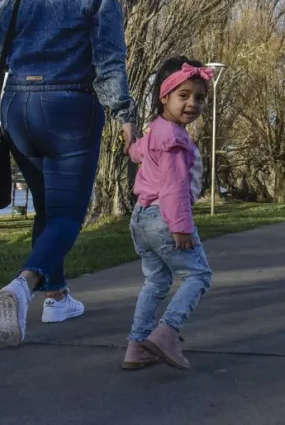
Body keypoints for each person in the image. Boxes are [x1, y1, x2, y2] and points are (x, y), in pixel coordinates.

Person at [0, 0, 138, 347]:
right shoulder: (98, 0)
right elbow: (109, 64)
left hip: (17, 107)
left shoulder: (16, 2)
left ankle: (56, 298)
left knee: (46, 208)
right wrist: (125, 118)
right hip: (70, 107)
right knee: (71, 213)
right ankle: (24, 285)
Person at [122, 57, 214, 371]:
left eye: (199, 98)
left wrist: (128, 140)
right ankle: (167, 333)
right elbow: (174, 186)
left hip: (141, 217)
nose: (192, 103)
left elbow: (136, 152)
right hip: (165, 217)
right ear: (165, 97)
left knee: (156, 282)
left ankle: (137, 346)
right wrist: (182, 226)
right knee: (199, 275)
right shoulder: (175, 138)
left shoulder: (155, 131)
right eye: (183, 95)